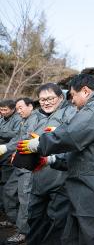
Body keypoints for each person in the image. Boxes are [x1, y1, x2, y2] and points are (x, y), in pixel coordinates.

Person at [18, 74, 94, 245]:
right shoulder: (93, 110)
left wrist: (38, 143)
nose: (72, 101)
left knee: (92, 238)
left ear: (85, 91)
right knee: (71, 238)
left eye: (72, 95)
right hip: (83, 189)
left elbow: (69, 135)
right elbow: (81, 156)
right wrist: (51, 160)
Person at [20, 83, 76, 245]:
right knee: (35, 217)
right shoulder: (35, 117)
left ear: (60, 97)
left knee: (57, 222)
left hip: (60, 179)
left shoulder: (71, 113)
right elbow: (24, 139)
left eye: (50, 98)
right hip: (38, 177)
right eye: (42, 99)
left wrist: (58, 134)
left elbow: (74, 140)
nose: (46, 102)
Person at [0, 98, 37, 244]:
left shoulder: (35, 119)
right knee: (9, 191)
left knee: (24, 197)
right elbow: (17, 137)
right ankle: (14, 220)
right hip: (19, 162)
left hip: (28, 164)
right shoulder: (24, 119)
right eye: (18, 108)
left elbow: (24, 139)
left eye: (21, 108)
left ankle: (23, 232)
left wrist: (6, 147)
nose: (19, 111)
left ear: (30, 106)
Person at [0, 100, 22, 213]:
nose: (2, 112)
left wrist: (1, 133)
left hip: (9, 154)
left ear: (13, 109)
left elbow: (17, 134)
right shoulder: (2, 119)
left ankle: (7, 210)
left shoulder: (18, 119)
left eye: (5, 109)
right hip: (2, 154)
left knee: (6, 182)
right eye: (1, 109)